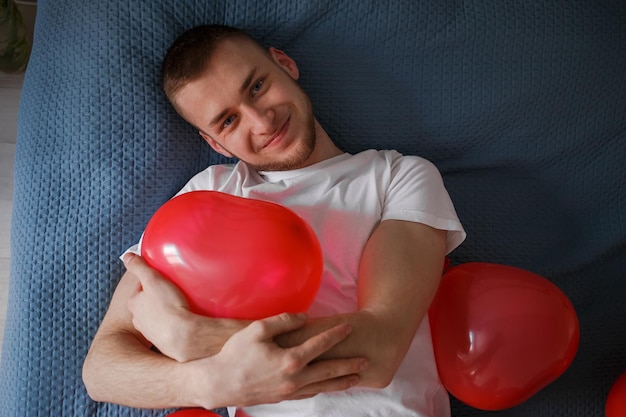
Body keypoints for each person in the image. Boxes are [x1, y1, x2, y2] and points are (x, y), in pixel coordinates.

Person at [82, 24, 466, 417]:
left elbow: (382, 346)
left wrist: (199, 339)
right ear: (214, 144)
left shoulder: (398, 177)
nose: (262, 122)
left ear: (284, 64)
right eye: (228, 121)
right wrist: (204, 383)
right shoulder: (207, 196)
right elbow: (102, 369)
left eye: (256, 87)